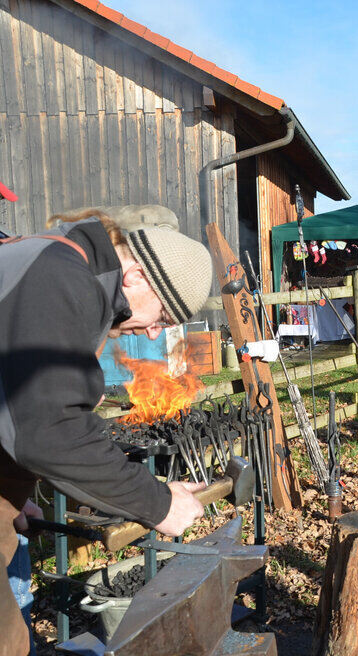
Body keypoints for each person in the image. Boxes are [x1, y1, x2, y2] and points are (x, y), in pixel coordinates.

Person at [0, 211, 212, 654]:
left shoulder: (57, 262)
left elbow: (13, 400)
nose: (154, 331)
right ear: (135, 275)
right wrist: (157, 503)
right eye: (163, 317)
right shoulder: (60, 278)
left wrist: (10, 492)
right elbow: (51, 431)